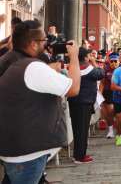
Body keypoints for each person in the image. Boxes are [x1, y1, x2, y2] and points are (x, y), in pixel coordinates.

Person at [0, 20, 81, 184]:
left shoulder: (15, 62)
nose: (48, 44)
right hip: (27, 154)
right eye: (44, 40)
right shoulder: (33, 67)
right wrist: (74, 57)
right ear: (32, 44)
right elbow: (73, 89)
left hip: (15, 148)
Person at [68, 47, 105, 164]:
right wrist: (94, 62)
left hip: (74, 102)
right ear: (85, 57)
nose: (91, 57)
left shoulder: (73, 68)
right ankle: (80, 156)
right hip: (84, 103)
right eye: (89, 56)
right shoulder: (89, 69)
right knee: (82, 130)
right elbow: (100, 73)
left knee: (77, 129)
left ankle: (77, 154)